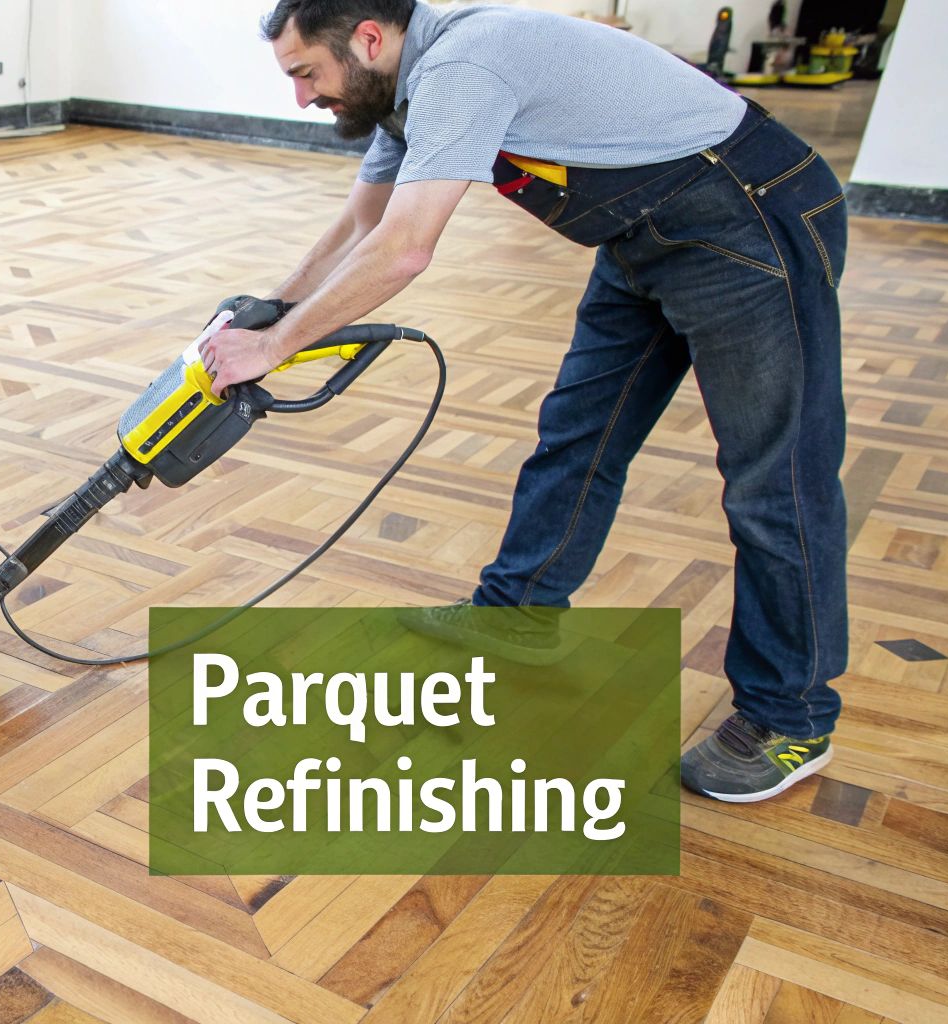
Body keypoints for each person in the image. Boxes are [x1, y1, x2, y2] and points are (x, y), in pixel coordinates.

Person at [200, 0, 849, 803]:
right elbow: (363, 224)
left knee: (774, 479)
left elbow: (405, 249)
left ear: (367, 40)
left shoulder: (462, 65)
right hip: (645, 234)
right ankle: (519, 613)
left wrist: (277, 346)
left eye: (307, 74)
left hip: (747, 217)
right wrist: (270, 308)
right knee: (578, 434)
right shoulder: (397, 91)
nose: (302, 97)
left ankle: (792, 716)